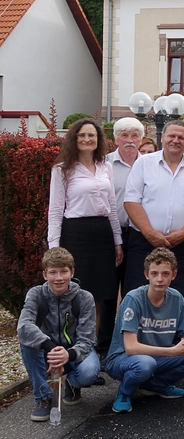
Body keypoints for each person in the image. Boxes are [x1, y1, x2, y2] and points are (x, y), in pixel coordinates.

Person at [105, 248, 184, 414]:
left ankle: (156, 385)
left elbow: (183, 331)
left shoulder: (177, 298)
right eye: (154, 273)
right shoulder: (133, 299)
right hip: (124, 358)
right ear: (146, 274)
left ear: (174, 275)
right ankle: (124, 394)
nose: (159, 279)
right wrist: (173, 351)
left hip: (159, 356)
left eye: (165, 274)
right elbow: (131, 347)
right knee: (145, 364)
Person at [48, 117, 122, 353]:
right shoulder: (62, 170)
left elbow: (111, 206)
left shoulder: (106, 167)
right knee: (75, 296)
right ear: (74, 139)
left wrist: (118, 241)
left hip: (102, 236)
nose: (87, 139)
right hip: (75, 236)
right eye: (82, 135)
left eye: (92, 135)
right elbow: (56, 209)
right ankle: (71, 351)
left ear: (98, 139)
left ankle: (89, 352)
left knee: (97, 297)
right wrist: (54, 247)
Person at [123, 120, 184, 303]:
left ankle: (177, 334)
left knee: (179, 299)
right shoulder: (143, 164)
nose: (176, 140)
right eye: (171, 136)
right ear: (162, 138)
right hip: (143, 242)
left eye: (181, 137)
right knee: (138, 297)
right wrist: (150, 233)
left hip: (182, 245)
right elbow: (131, 201)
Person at [18, 248, 101, 421]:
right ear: (44, 275)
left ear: (72, 272)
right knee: (27, 342)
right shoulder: (36, 294)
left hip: (74, 350)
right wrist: (53, 350)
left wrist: (67, 355)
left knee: (89, 372)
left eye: (64, 271)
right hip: (46, 349)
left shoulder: (84, 298)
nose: (59, 278)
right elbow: (24, 326)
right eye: (53, 272)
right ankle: (43, 397)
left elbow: (87, 338)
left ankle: (72, 383)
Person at [105, 117, 145, 354]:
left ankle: (132, 343)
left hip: (140, 234)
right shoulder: (105, 164)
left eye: (134, 136)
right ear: (115, 138)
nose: (130, 141)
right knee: (109, 291)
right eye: (124, 136)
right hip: (112, 233)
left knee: (134, 290)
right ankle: (106, 346)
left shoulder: (150, 163)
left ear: (142, 138)